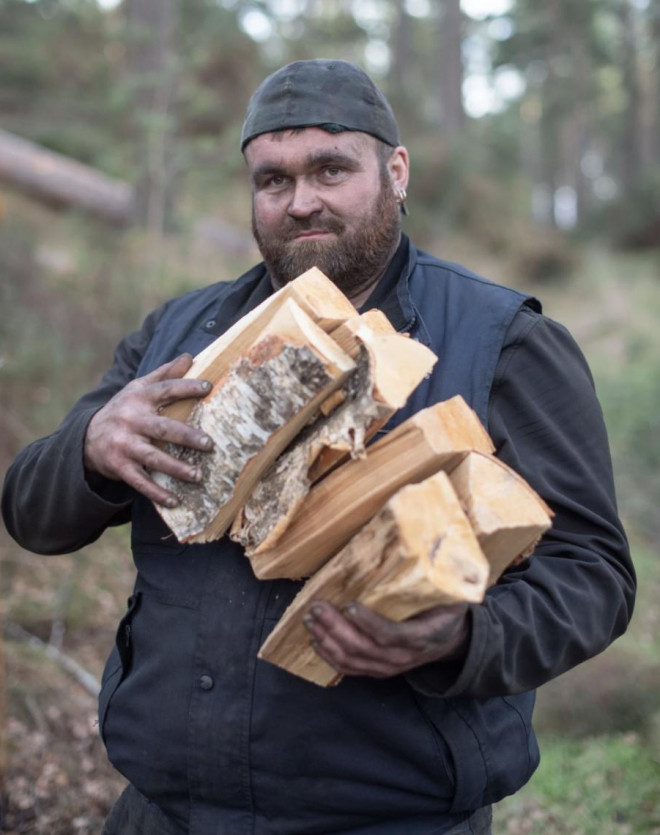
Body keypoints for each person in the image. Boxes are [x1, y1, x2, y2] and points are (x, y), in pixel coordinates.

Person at [2, 59, 634, 835]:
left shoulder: (504, 340)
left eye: (330, 169)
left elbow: (593, 574)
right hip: (163, 811)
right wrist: (90, 450)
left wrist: (465, 637)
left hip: (388, 816)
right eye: (272, 181)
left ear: (396, 172)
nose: (301, 201)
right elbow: (31, 514)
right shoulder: (181, 334)